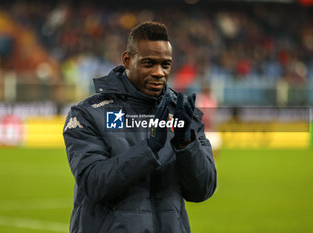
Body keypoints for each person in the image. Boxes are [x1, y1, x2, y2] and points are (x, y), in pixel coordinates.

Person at [63, 21, 217, 233]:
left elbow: (203, 190)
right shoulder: (89, 113)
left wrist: (186, 144)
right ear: (127, 60)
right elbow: (94, 183)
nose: (159, 73)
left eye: (165, 65)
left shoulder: (182, 114)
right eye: (148, 63)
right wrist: (149, 148)